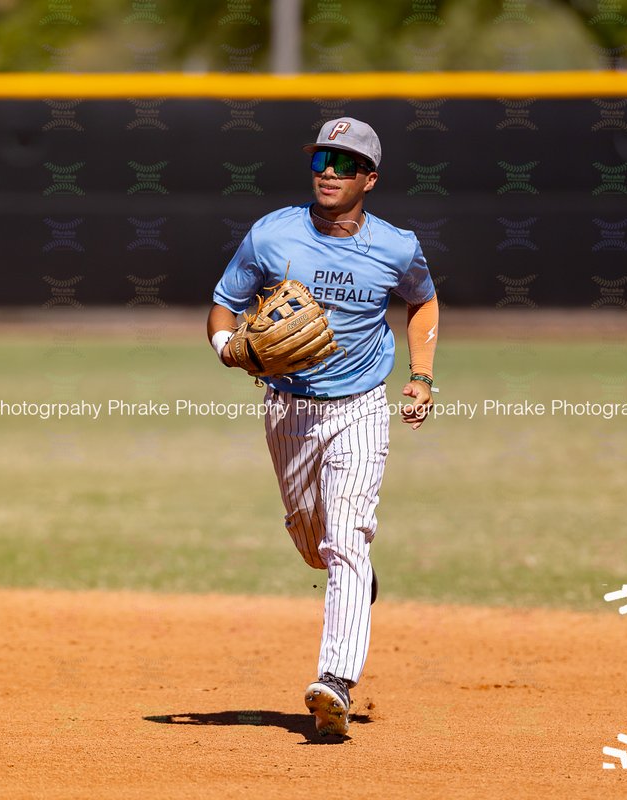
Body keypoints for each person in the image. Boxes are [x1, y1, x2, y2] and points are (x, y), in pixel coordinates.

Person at [206, 117, 439, 737]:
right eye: (320, 161)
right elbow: (225, 305)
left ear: (370, 177)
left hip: (361, 404)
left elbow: (423, 300)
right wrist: (228, 348)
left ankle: (333, 681)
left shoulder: (397, 246)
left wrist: (421, 376)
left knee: (347, 539)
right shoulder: (272, 234)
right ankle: (354, 580)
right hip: (287, 408)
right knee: (316, 543)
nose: (329, 171)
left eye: (344, 162)